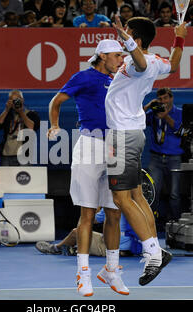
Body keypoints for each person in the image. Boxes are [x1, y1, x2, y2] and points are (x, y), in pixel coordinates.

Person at [104, 16, 186, 287]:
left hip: (122, 138)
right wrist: (179, 38)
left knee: (122, 200)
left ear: (135, 39)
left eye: (127, 32)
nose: (122, 35)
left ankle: (152, 254)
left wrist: (123, 37)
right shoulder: (155, 62)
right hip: (133, 134)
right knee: (136, 195)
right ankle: (156, 249)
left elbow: (138, 61)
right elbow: (173, 65)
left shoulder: (140, 63)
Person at [48, 39, 125, 297]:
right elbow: (56, 101)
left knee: (114, 213)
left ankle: (112, 270)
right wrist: (55, 125)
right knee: (88, 214)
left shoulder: (120, 79)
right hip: (90, 144)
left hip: (117, 145)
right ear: (102, 56)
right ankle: (83, 275)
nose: (121, 60)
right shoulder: (84, 77)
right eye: (116, 55)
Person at [143, 87, 183, 226]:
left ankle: (176, 223)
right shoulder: (152, 113)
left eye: (166, 98)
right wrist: (149, 105)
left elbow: (180, 131)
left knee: (174, 193)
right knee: (153, 192)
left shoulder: (179, 112)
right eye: (160, 99)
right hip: (156, 158)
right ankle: (150, 223)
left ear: (171, 98)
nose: (163, 101)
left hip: (175, 158)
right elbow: (137, 118)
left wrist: (165, 116)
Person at [35, 208, 138, 257]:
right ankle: (74, 249)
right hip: (130, 247)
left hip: (110, 246)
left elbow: (88, 221)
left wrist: (94, 205)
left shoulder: (110, 204)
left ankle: (55, 248)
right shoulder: (132, 204)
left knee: (77, 232)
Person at [0, 90, 40, 166]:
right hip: (7, 154)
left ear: (22, 100)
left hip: (24, 155)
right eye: (12, 100)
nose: (15, 102)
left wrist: (21, 112)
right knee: (6, 177)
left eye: (17, 99)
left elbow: (32, 128)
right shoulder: (8, 115)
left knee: (24, 177)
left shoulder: (31, 114)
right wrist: (6, 110)